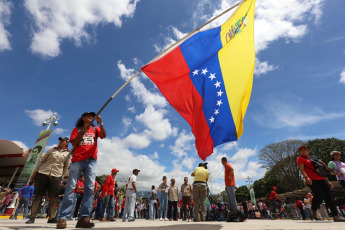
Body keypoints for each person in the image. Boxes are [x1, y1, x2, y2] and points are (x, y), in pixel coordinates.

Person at [57, 112, 107, 229]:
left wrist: (101, 123)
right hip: (78, 160)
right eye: (88, 115)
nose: (90, 116)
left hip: (91, 160)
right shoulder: (77, 129)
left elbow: (104, 135)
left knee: (90, 188)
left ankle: (84, 218)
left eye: (92, 115)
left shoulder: (95, 128)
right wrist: (83, 131)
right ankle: (63, 218)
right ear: (83, 118)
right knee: (71, 187)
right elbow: (74, 143)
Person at [26, 137, 70, 224]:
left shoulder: (68, 154)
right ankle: (32, 217)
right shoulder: (51, 150)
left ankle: (51, 217)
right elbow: (42, 161)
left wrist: (61, 176)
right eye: (60, 140)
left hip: (56, 175)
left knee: (54, 197)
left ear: (66, 143)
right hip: (43, 172)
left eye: (63, 140)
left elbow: (66, 166)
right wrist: (35, 172)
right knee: (38, 195)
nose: (60, 142)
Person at [296, 145, 345, 222]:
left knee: (329, 196)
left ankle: (336, 215)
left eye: (304, 150)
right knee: (320, 195)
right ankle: (314, 208)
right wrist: (306, 177)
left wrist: (328, 181)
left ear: (307, 151)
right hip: (312, 180)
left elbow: (323, 172)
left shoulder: (315, 159)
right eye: (301, 150)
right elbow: (301, 169)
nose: (302, 151)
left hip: (322, 179)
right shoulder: (300, 158)